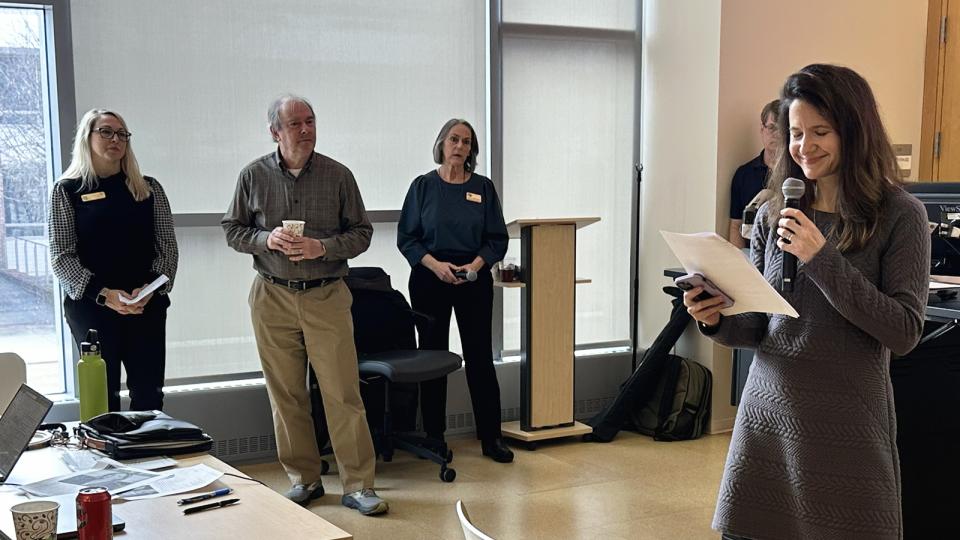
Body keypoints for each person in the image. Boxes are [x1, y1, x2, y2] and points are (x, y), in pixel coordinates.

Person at [686, 64, 929, 539]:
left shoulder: (901, 215)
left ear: (855, 131)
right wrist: (715, 317)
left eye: (820, 132)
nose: (804, 146)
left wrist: (822, 258)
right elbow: (758, 326)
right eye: (796, 133)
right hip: (767, 418)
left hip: (846, 422)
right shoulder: (775, 209)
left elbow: (903, 331)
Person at [222, 94, 387, 516]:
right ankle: (304, 479)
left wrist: (321, 246)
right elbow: (233, 230)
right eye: (295, 123)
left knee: (341, 393)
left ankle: (359, 485)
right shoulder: (253, 176)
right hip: (271, 295)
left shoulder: (337, 175)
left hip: (326, 294)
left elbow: (362, 233)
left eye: (311, 121)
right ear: (275, 131)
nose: (306, 129)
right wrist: (265, 239)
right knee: (287, 395)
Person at [397, 118, 513, 464]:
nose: (459, 146)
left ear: (471, 150)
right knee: (432, 357)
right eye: (453, 139)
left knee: (479, 358)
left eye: (466, 141)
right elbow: (408, 238)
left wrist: (475, 267)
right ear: (441, 145)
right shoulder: (422, 187)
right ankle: (434, 437)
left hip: (472, 279)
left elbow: (497, 239)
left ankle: (491, 438)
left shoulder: (483, 188)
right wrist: (436, 266)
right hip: (430, 277)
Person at [49, 108, 178, 412]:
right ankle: (104, 460)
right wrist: (106, 295)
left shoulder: (149, 189)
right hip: (94, 310)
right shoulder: (68, 191)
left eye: (122, 134)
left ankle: (148, 457)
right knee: (100, 400)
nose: (115, 139)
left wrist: (147, 292)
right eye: (106, 131)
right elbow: (61, 257)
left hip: (145, 307)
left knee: (148, 396)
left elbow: (168, 249)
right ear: (87, 137)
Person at [728, 99, 781, 248]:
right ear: (762, 130)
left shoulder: (800, 174)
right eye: (772, 128)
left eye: (783, 129)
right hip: (751, 258)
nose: (777, 134)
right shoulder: (743, 174)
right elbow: (735, 225)